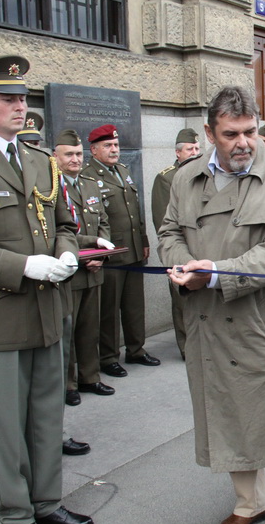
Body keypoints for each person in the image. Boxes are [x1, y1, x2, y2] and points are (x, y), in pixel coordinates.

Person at [158, 85, 265, 524]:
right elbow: (169, 233)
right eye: (231, 134)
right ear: (211, 133)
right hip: (208, 319)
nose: (243, 143)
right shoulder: (185, 178)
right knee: (226, 412)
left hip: (264, 320)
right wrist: (181, 267)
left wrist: (212, 274)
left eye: (250, 131)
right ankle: (249, 504)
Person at [0, 55, 93, 524]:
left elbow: (63, 223)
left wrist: (65, 254)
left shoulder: (40, 160)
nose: (21, 106)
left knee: (46, 417)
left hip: (46, 309)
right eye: (8, 98)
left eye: (23, 98)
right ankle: (16, 514)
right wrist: (22, 266)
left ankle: (48, 504)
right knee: (6, 428)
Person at [81, 124, 158, 378]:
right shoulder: (88, 176)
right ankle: (108, 357)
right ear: (94, 150)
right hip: (112, 255)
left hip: (134, 249)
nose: (114, 150)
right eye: (108, 146)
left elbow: (135, 209)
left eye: (115, 145)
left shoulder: (123, 171)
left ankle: (136, 349)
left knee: (135, 305)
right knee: (109, 310)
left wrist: (144, 240)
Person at [54, 129, 116, 405]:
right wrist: (83, 255)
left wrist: (100, 256)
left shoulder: (90, 184)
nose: (75, 159)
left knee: (90, 327)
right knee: (67, 332)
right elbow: (58, 231)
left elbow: (103, 222)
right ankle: (67, 385)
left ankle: (90, 377)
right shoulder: (51, 186)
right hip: (69, 273)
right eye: (69, 154)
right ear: (55, 156)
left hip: (94, 269)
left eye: (78, 154)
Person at [151, 127, 201, 360]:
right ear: (178, 153)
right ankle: (187, 346)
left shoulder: (203, 173)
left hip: (203, 247)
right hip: (181, 248)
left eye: (198, 148)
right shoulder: (166, 178)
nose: (195, 152)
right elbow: (164, 221)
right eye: (190, 149)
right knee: (182, 298)